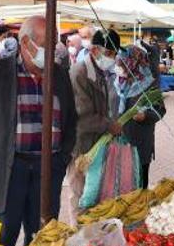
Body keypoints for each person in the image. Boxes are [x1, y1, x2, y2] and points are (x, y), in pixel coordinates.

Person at [0, 15, 77, 246]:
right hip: (7, 172)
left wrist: (61, 159)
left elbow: (71, 120)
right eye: (46, 45)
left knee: (40, 242)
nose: (52, 51)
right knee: (1, 243)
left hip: (47, 172)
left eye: (54, 45)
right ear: (25, 43)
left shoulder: (60, 75)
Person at [69, 29, 122, 213]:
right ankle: (78, 235)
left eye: (114, 54)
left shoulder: (101, 72)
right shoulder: (79, 72)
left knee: (95, 195)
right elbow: (83, 115)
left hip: (97, 144)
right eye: (108, 53)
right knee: (81, 195)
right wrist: (110, 125)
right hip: (82, 146)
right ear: (94, 50)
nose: (111, 58)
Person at [127, 34, 166, 188]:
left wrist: (145, 116)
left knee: (141, 185)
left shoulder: (150, 83)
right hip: (120, 145)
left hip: (141, 143)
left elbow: (160, 110)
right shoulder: (114, 82)